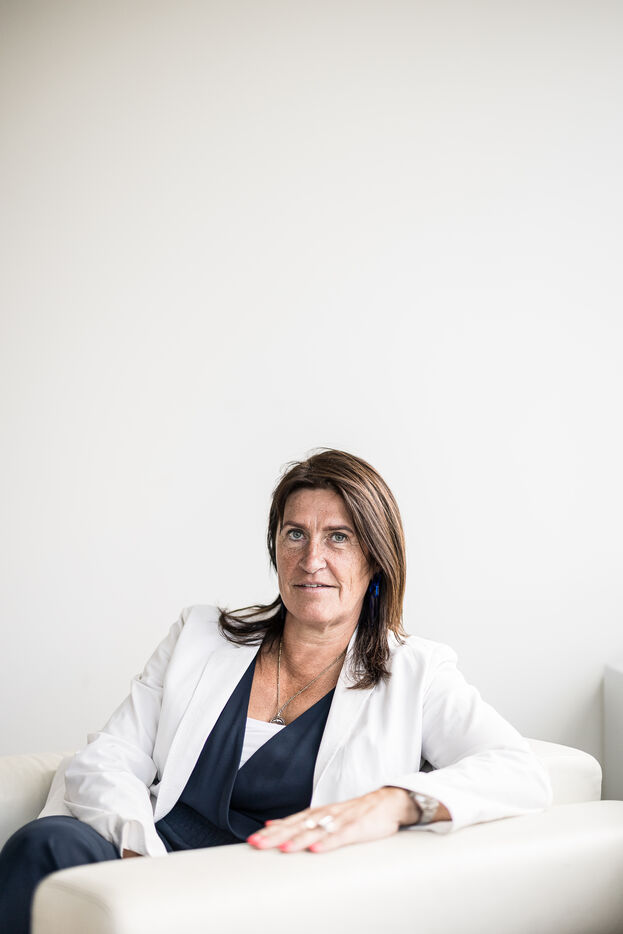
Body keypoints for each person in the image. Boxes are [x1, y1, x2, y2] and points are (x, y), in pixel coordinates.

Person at [0, 449, 552, 931]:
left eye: (339, 537)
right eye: (295, 534)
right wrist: (140, 860)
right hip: (153, 856)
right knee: (46, 843)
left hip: (271, 895)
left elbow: (517, 769)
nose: (312, 560)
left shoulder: (416, 672)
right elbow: (110, 757)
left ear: (375, 559)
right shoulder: (198, 636)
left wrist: (393, 803)